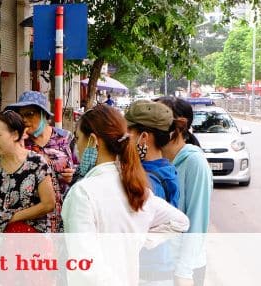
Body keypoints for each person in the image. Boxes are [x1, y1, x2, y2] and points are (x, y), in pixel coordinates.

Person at [61, 104, 189, 285]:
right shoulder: (136, 187)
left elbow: (86, 267)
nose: (77, 146)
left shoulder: (83, 193)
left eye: (78, 138)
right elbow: (180, 222)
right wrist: (138, 239)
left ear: (93, 140)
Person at [157, 96, 213, 286]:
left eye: (157, 121)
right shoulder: (158, 161)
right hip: (161, 265)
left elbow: (197, 220)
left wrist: (184, 271)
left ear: (179, 126)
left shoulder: (194, 162)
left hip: (185, 269)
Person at [5, 91, 74, 232]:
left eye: (29, 114)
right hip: (31, 219)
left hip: (63, 215)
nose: (24, 119)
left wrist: (72, 175)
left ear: (44, 115)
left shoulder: (65, 138)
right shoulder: (17, 142)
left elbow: (78, 167)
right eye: (20, 115)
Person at [125, 100, 180, 207]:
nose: (125, 138)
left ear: (144, 137)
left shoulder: (148, 182)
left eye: (129, 132)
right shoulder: (167, 170)